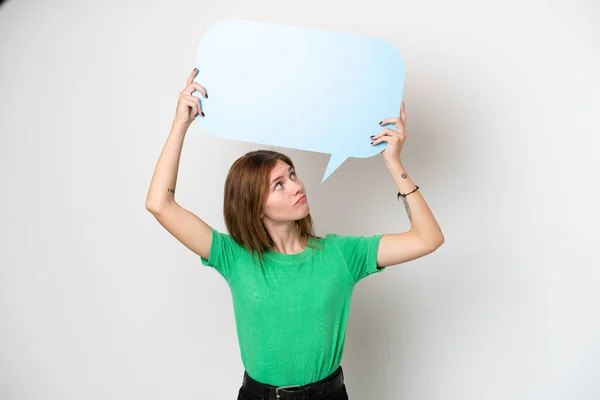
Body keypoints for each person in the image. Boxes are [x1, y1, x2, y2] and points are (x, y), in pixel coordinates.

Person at [145, 68, 444, 400]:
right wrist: (180, 124)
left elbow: (427, 238)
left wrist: (393, 163)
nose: (296, 186)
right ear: (254, 207)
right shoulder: (234, 257)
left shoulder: (341, 254)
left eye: (292, 174)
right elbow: (160, 204)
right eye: (279, 185)